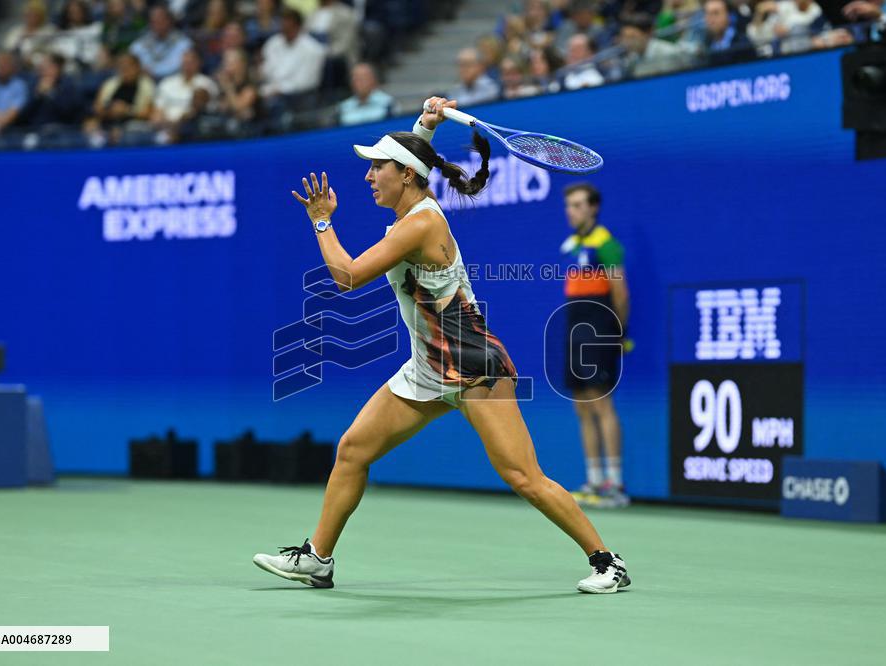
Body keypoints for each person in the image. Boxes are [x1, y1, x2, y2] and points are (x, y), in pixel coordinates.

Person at [252, 97, 631, 595]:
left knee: (522, 475)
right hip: (427, 368)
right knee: (352, 450)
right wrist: (424, 126)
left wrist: (321, 221)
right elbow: (417, 160)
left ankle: (608, 562)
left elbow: (345, 276)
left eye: (377, 168)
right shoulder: (416, 204)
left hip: (474, 365)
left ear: (404, 175)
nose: (368, 177)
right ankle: (318, 559)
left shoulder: (421, 225)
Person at [559, 182, 631, 508]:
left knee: (602, 405)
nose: (570, 211)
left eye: (577, 205)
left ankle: (614, 485)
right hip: (575, 331)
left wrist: (618, 332)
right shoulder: (573, 245)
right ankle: (593, 480)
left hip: (600, 332)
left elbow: (620, 293)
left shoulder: (607, 245)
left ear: (593, 208)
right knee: (581, 406)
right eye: (568, 205)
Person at [128, 4, 193, 80]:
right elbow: (133, 54)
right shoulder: (141, 43)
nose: (157, 24)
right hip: (146, 79)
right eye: (154, 21)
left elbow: (180, 66)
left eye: (161, 20)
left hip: (173, 80)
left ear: (169, 21)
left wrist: (155, 72)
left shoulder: (183, 42)